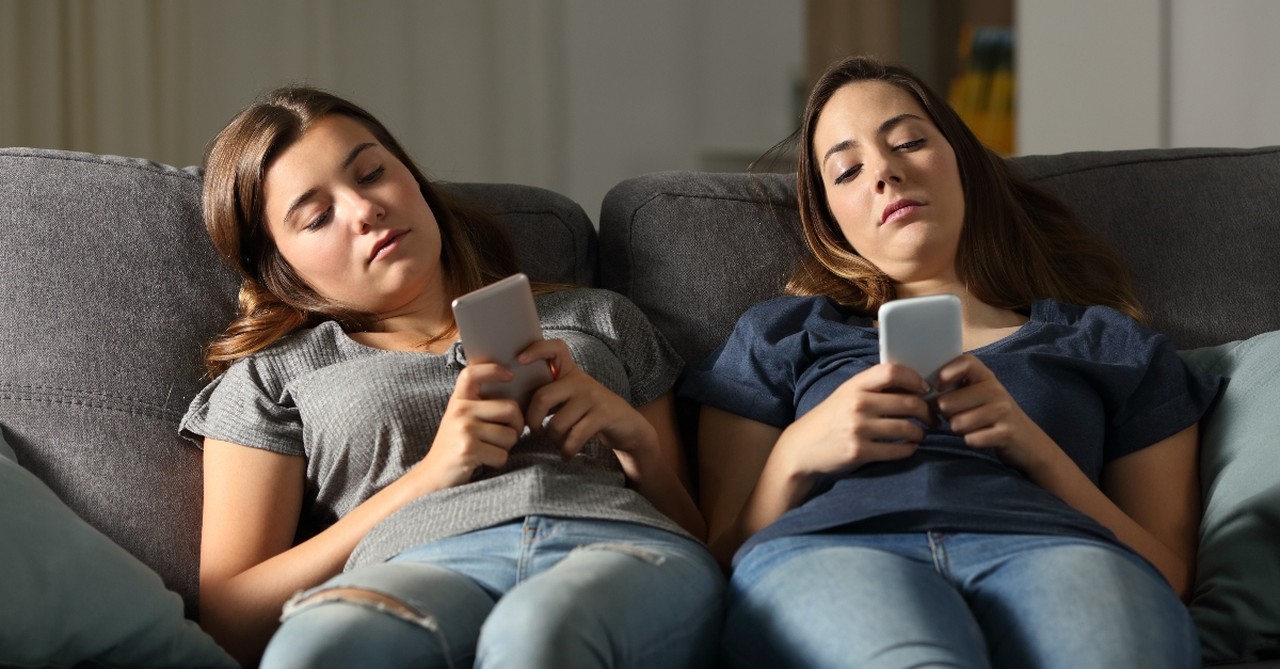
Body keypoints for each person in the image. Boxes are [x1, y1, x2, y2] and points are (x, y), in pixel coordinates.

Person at [681, 55, 1221, 669]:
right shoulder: (781, 335)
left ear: (961, 160)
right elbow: (720, 554)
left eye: (908, 141)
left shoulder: (1108, 343)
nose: (884, 172)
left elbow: (1169, 573)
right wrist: (799, 451)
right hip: (835, 553)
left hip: (1055, 550)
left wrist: (1034, 448)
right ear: (831, 220)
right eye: (848, 170)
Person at [180, 86, 722, 669]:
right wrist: (427, 478)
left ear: (412, 179)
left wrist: (637, 445)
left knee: (539, 631)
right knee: (315, 650)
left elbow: (700, 536)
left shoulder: (599, 318)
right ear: (281, 266)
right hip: (412, 571)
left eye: (370, 174)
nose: (365, 211)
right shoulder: (272, 378)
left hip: (616, 547)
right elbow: (230, 619)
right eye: (317, 217)